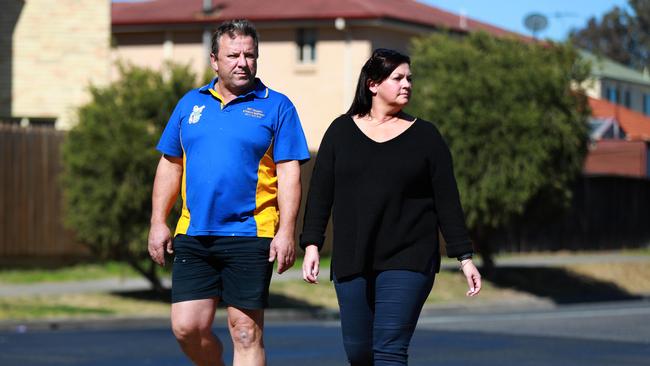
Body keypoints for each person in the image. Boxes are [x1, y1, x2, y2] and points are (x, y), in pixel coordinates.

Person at [300, 48, 481, 366]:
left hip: (409, 257)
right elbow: (319, 193)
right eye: (398, 78)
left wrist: (464, 258)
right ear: (373, 84)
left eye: (410, 78)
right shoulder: (340, 132)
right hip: (353, 257)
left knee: (389, 351)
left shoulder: (426, 136)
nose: (407, 84)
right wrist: (312, 244)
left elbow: (447, 201)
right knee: (359, 353)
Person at [148, 19, 309, 366]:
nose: (242, 62)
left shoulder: (277, 106)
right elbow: (170, 165)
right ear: (214, 60)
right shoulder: (190, 104)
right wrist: (158, 222)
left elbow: (289, 173)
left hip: (252, 234)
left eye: (250, 55)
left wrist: (286, 231)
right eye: (233, 54)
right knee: (186, 328)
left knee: (245, 332)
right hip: (194, 232)